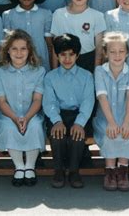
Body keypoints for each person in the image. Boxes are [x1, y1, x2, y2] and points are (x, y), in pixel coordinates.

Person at [0, 29, 46, 186]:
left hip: (31, 113)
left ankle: (30, 166)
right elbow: (1, 101)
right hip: (8, 115)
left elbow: (37, 99)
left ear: (29, 51)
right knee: (9, 127)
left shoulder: (39, 71)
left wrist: (27, 117)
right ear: (7, 50)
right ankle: (19, 167)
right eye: (14, 48)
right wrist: (15, 118)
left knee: (34, 126)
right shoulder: (0, 72)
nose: (19, 53)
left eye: (23, 48)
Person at [93, 32, 129, 192]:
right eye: (112, 51)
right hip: (105, 117)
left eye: (121, 51)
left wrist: (127, 122)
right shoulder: (100, 71)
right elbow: (102, 98)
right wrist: (112, 122)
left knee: (126, 132)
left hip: (126, 116)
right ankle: (109, 171)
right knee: (111, 132)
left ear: (127, 53)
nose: (117, 55)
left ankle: (122, 172)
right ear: (105, 53)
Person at [43, 33, 94, 189]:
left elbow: (88, 101)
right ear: (57, 56)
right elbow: (49, 102)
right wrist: (56, 121)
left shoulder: (87, 76)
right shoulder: (50, 77)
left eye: (71, 54)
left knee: (77, 134)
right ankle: (58, 170)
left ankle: (74, 171)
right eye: (63, 54)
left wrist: (79, 123)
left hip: (80, 115)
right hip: (58, 115)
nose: (67, 59)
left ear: (77, 55)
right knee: (57, 134)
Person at [50, 0, 106, 72]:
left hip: (87, 61)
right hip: (64, 61)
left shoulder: (97, 16)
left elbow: (99, 50)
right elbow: (55, 47)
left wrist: (96, 73)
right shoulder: (58, 14)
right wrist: (54, 71)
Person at [3, 0, 53, 70]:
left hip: (42, 64)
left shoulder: (46, 14)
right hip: (18, 64)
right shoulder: (8, 15)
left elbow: (49, 44)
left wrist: (52, 67)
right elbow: (7, 45)